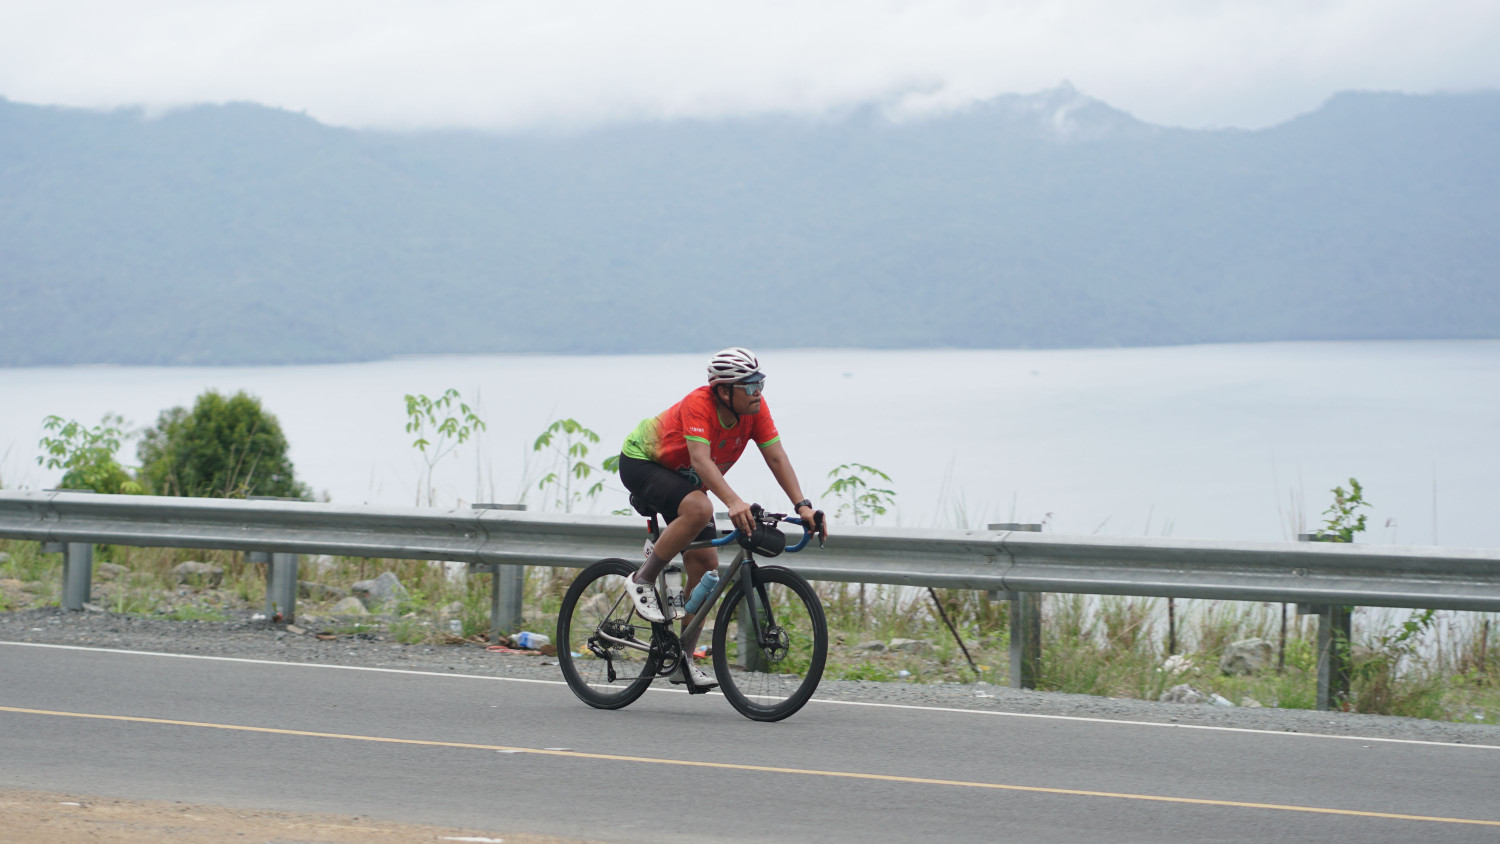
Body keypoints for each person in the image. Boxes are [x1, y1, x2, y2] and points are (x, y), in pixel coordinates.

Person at [616, 347, 826, 687]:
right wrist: (733, 502)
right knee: (700, 508)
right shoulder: (699, 403)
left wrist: (802, 505)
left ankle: (682, 660)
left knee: (706, 567)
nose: (757, 392)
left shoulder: (755, 410)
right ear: (724, 391)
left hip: (684, 480)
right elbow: (700, 461)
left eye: (760, 383)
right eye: (750, 385)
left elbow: (776, 457)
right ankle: (642, 579)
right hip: (643, 462)